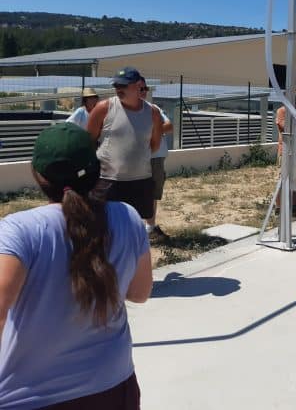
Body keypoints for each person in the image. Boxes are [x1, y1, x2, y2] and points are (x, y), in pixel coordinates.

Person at [0, 122, 152, 408]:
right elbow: (140, 293)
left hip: (29, 397)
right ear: (97, 171)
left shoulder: (17, 230)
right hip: (113, 386)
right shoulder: (128, 217)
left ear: (38, 174)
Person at [87, 66, 162, 220]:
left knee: (136, 225)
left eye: (123, 85)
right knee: (105, 226)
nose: (118, 89)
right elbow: (88, 141)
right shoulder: (104, 108)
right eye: (116, 85)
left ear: (138, 85)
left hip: (140, 180)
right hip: (108, 181)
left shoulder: (153, 112)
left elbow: (155, 144)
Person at [139, 78, 173, 241]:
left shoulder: (154, 108)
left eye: (146, 88)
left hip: (156, 157)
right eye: (141, 89)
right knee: (137, 192)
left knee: (153, 193)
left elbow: (169, 126)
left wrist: (151, 132)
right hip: (138, 158)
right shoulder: (125, 111)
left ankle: (150, 227)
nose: (144, 91)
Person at [275, 90, 296, 217]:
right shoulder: (282, 111)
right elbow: (284, 127)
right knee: (282, 179)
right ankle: (278, 207)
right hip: (285, 151)